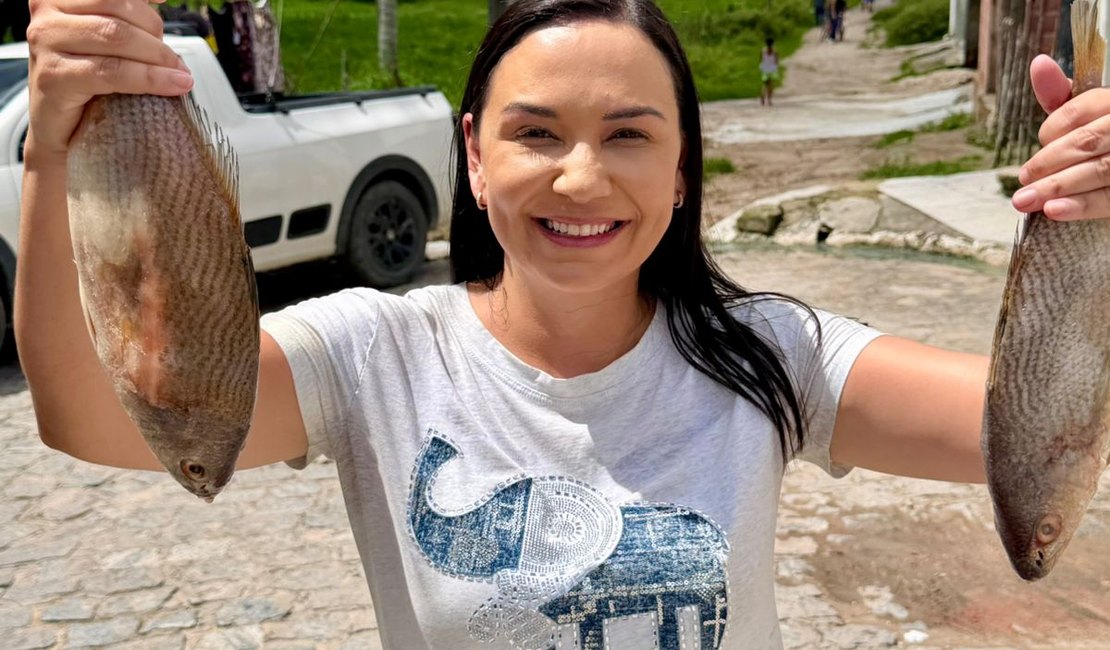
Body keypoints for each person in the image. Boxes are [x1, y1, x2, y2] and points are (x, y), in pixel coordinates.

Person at [17, 0, 1110, 647]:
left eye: (629, 135)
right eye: (536, 132)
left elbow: (1041, 432)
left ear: (682, 170)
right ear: (476, 155)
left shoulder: (773, 354)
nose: (581, 177)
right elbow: (98, 418)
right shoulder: (375, 354)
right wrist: (60, 144)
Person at [760, 37, 780, 107]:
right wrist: (776, 66)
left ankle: (762, 95)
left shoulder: (763, 50)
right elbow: (776, 60)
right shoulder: (775, 51)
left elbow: (761, 59)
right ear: (773, 43)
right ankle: (769, 100)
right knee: (770, 85)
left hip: (765, 67)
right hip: (772, 68)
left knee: (764, 83)